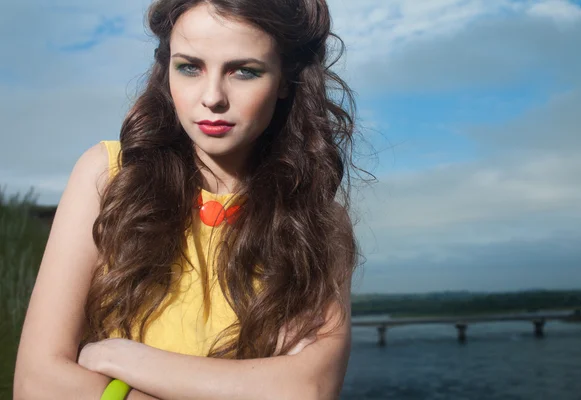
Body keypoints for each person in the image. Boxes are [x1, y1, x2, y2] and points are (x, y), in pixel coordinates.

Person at [14, 0, 362, 398]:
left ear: (285, 79)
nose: (212, 97)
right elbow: (36, 384)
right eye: (190, 67)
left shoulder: (318, 222)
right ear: (166, 71)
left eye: (244, 71)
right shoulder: (108, 177)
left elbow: (309, 390)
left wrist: (124, 359)